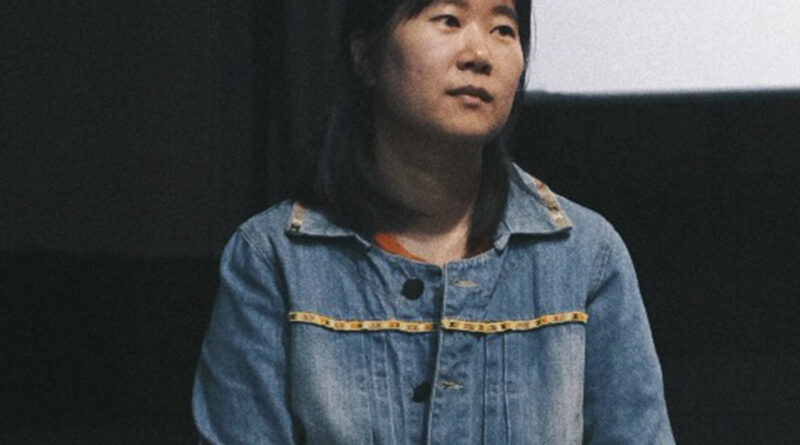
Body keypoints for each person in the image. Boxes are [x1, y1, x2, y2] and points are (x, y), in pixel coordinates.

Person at [192, 0, 675, 443]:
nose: (479, 54)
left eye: (503, 29)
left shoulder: (585, 255)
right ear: (365, 54)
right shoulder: (273, 259)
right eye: (448, 19)